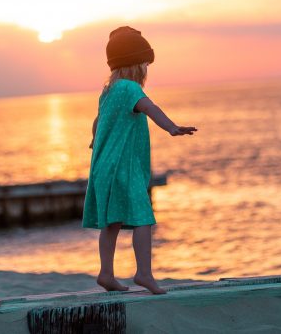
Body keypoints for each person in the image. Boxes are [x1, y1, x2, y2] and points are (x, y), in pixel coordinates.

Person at [83, 26, 197, 295]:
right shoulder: (129, 88)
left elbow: (97, 122)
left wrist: (95, 141)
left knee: (111, 222)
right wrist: (171, 127)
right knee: (143, 217)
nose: (146, 69)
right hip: (124, 167)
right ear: (136, 65)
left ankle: (106, 273)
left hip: (103, 166)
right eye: (145, 64)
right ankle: (144, 273)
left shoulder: (109, 90)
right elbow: (150, 107)